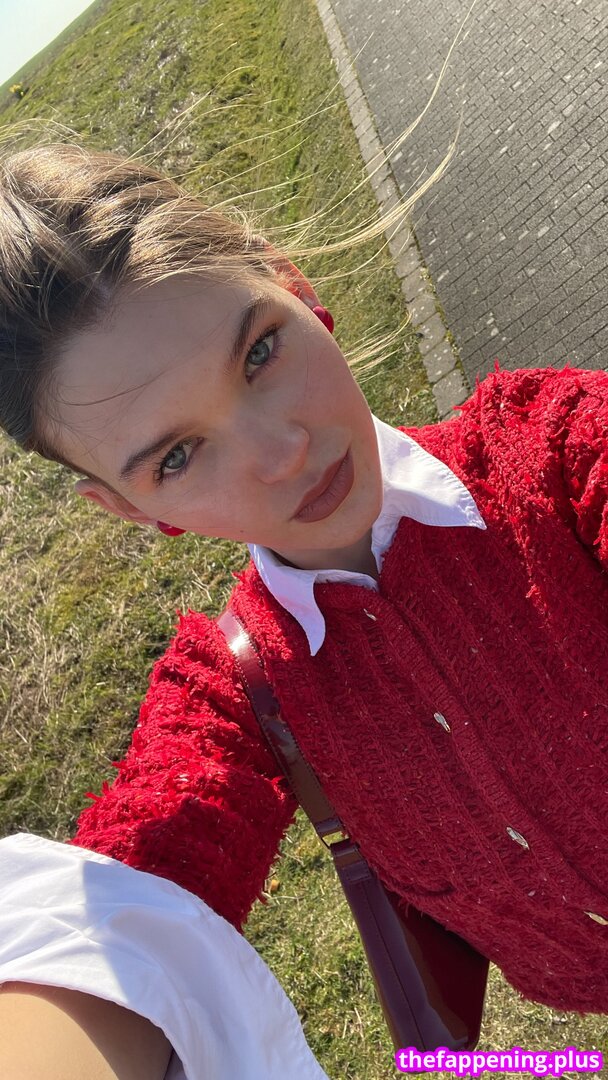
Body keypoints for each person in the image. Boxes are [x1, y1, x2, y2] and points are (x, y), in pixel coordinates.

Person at [0, 140, 607, 1079]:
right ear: (127, 508)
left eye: (260, 352)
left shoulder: (556, 452)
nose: (282, 452)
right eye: (177, 457)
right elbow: (122, 923)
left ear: (294, 283)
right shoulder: (238, 693)